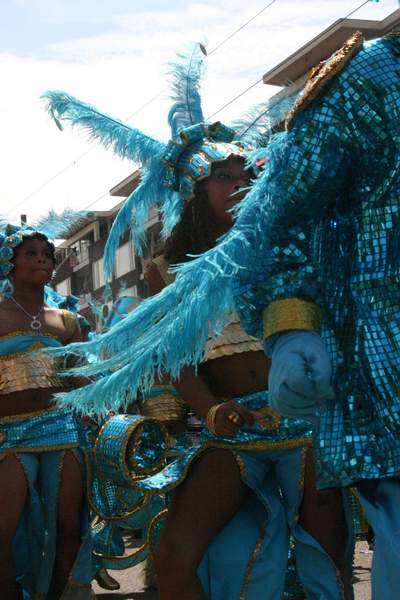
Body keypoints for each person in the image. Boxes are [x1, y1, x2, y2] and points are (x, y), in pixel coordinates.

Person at [43, 45, 354, 599]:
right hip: (231, 428)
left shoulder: (281, 243)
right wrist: (209, 408)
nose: (240, 184)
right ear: (194, 190)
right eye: (225, 177)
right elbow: (172, 359)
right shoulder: (166, 271)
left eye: (246, 173)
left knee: (328, 557)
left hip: (306, 421)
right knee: (174, 556)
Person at [0, 221, 93, 600]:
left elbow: (78, 375)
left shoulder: (67, 321)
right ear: (9, 264)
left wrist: (94, 402)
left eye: (47, 255)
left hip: (62, 429)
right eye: (31, 254)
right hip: (9, 433)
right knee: (4, 530)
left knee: (67, 525)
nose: (41, 260)